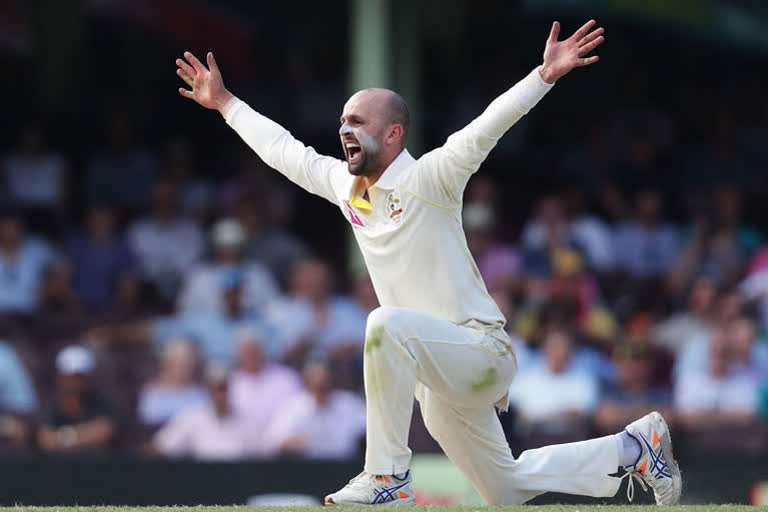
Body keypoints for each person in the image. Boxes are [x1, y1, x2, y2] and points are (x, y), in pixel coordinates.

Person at [176, 19, 681, 506]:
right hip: (437, 378)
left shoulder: (432, 179)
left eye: (357, 121)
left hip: (482, 354)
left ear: (394, 134)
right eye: (342, 121)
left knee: (382, 324)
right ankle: (637, 448)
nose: (343, 130)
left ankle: (386, 477)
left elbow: (488, 127)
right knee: (505, 490)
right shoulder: (346, 188)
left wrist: (543, 75)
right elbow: (284, 150)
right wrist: (223, 102)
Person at [262, 360, 366, 459]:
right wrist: (290, 443)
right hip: (310, 471)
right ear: (307, 383)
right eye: (316, 385)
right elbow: (272, 440)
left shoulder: (349, 404)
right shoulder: (294, 407)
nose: (320, 388)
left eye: (324, 384)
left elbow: (374, 427)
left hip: (347, 468)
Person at [153, 363, 249, 460]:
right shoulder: (191, 418)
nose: (219, 395)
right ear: (208, 390)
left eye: (223, 388)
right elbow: (161, 446)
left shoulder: (246, 420)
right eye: (215, 389)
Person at [38, 346, 118, 454]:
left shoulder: (101, 401)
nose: (73, 382)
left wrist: (61, 438)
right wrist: (80, 435)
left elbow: (104, 431)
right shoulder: (51, 404)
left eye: (78, 377)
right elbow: (45, 439)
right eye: (68, 376)